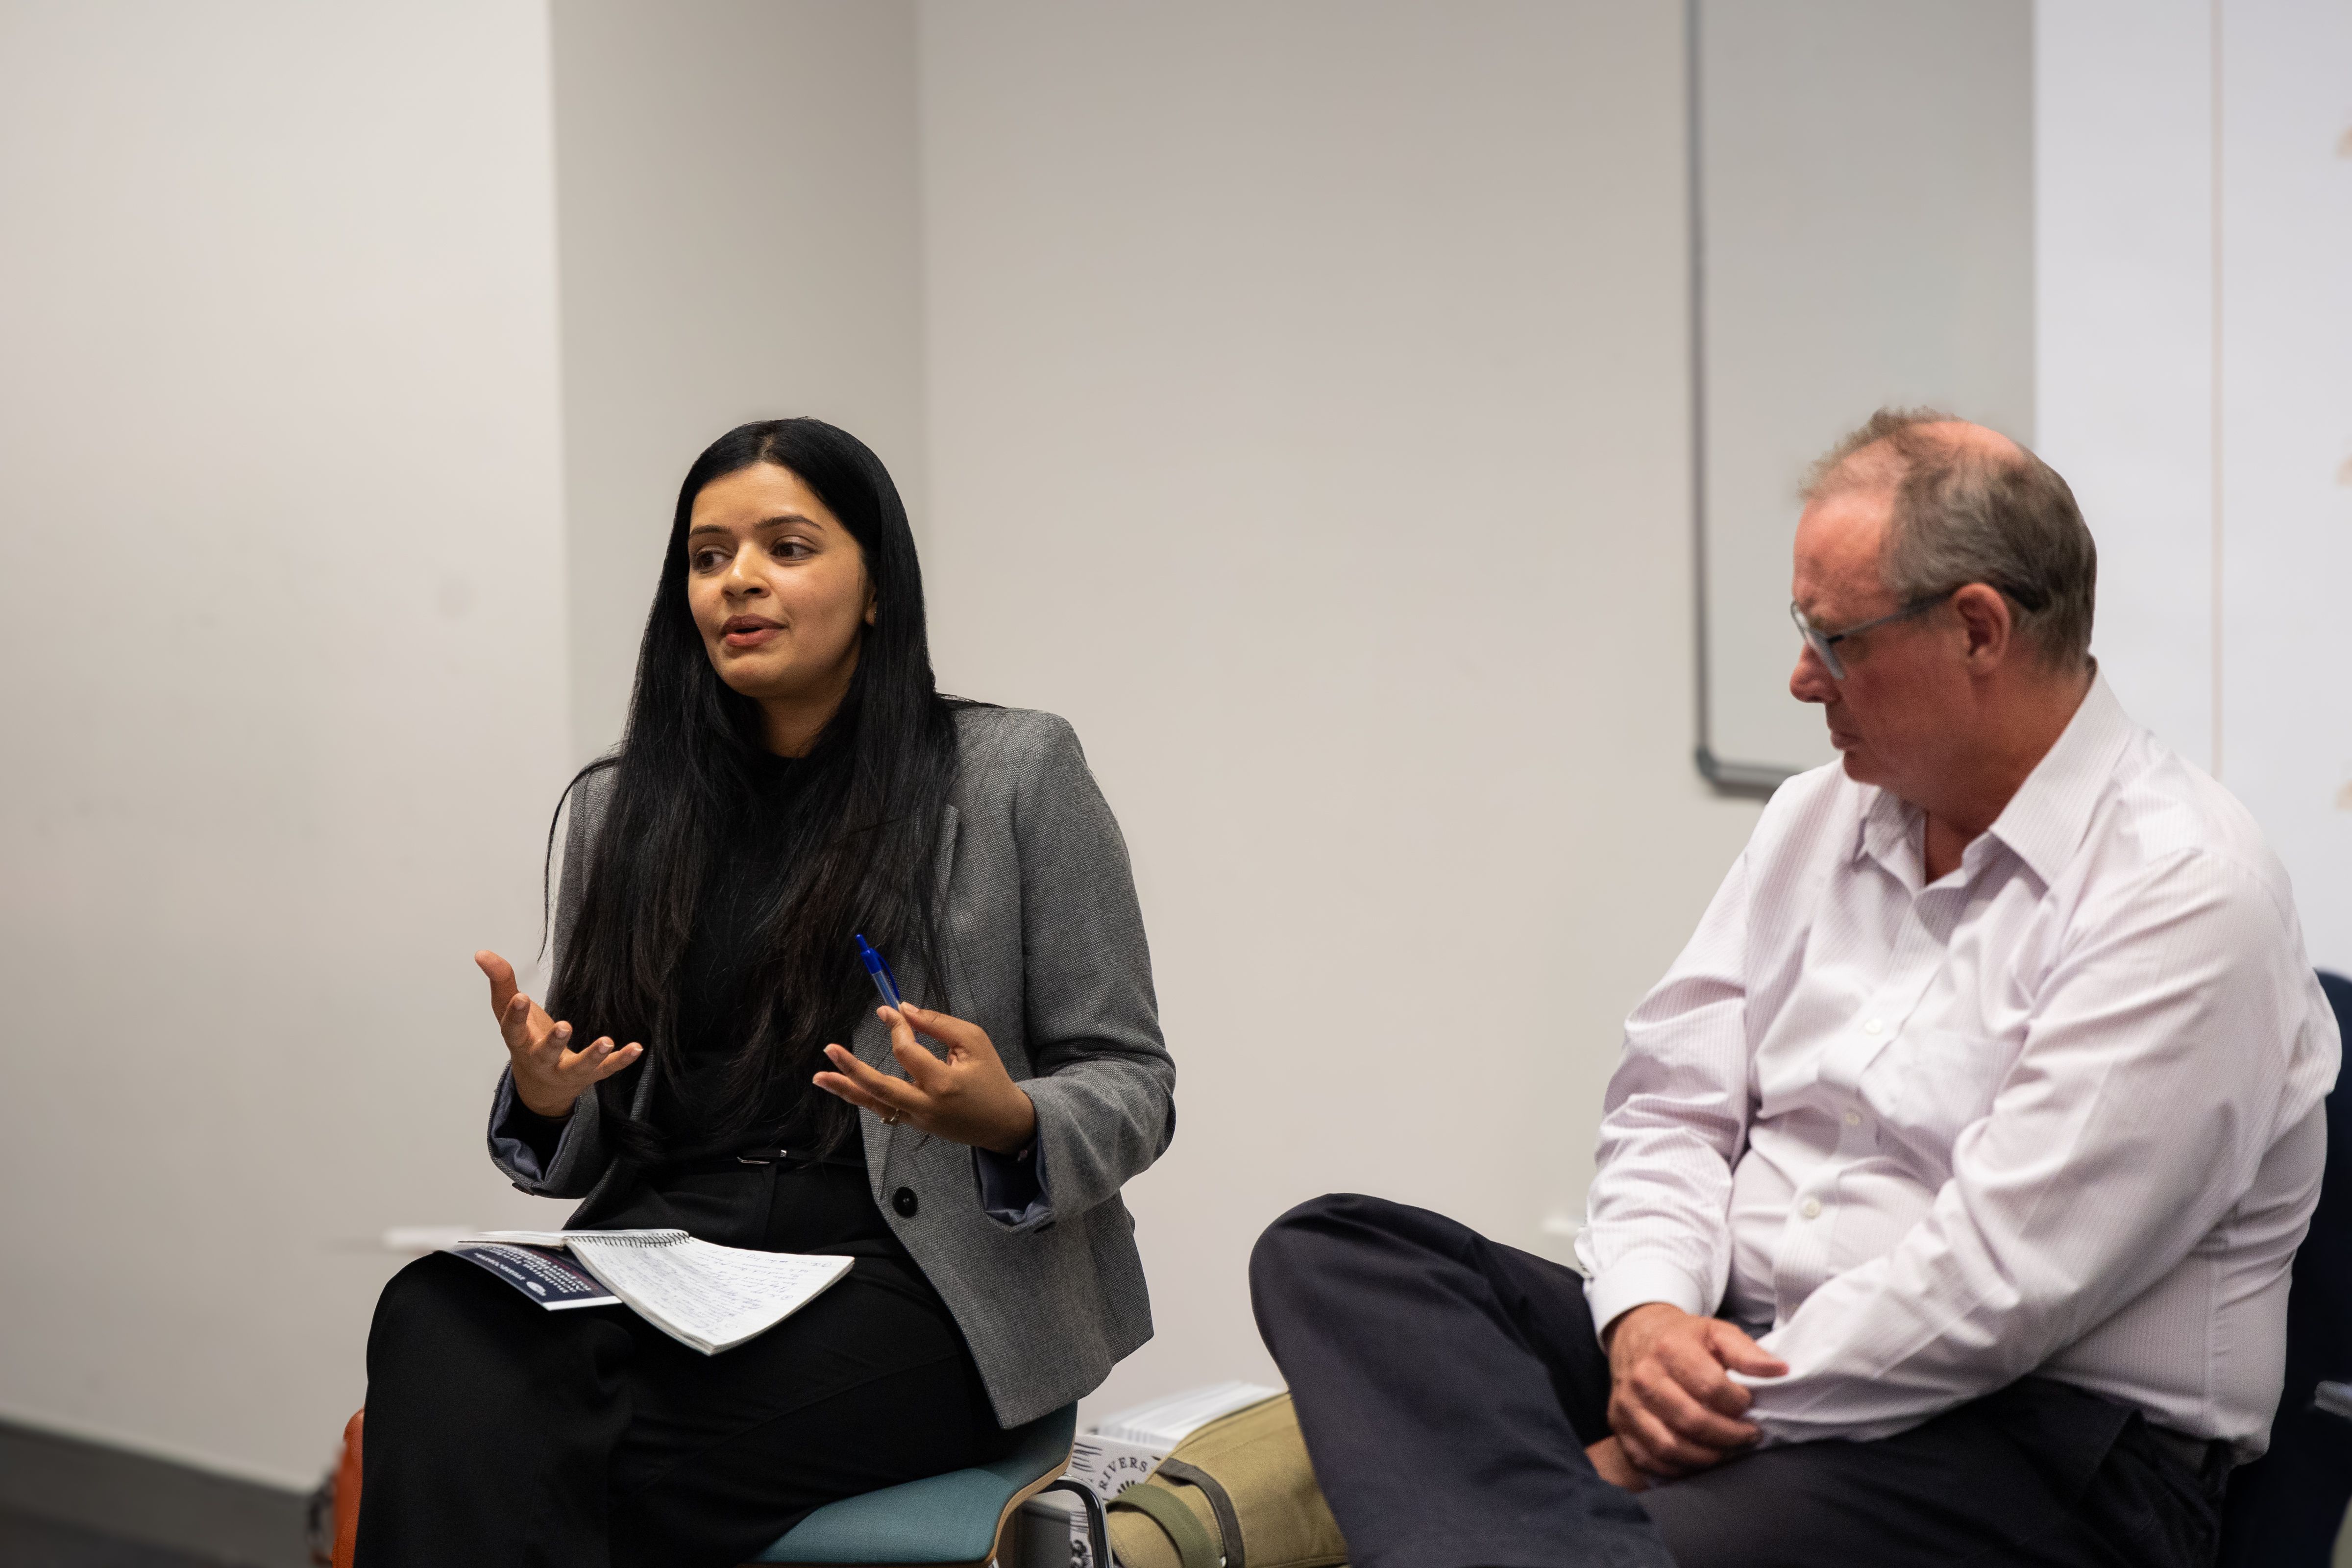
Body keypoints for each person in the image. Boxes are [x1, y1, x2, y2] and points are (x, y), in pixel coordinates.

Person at [1250, 410, 2340, 1568]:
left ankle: (1539, 1531)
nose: (1801, 677)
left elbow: (1997, 1286)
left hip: (2033, 1442)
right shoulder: (1817, 815)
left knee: (1640, 1525)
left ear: (1979, 629)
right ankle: (1548, 1539)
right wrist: (1648, 1321)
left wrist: (1672, 1437)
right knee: (1339, 1255)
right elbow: (1672, 1102)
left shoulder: (2185, 889)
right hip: (1735, 1345)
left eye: (1837, 637)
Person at [355, 418, 1174, 1567]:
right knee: (436, 1317)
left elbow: (1134, 1077)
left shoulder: (1016, 773)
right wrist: (548, 1097)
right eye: (707, 555)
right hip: (670, 1251)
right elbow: (596, 1128)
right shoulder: (623, 806)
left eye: (787, 547)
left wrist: (1012, 1118)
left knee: (558, 1465)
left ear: (877, 587)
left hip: (911, 1277)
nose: (738, 578)